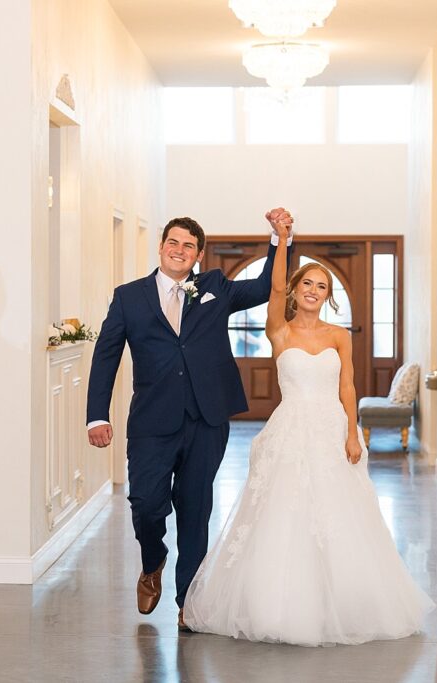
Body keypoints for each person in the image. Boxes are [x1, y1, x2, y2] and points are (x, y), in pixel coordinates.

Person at [181, 213, 433, 646]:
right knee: (285, 511)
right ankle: (280, 602)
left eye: (322, 287)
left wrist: (352, 433)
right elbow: (273, 287)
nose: (314, 291)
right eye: (308, 285)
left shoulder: (338, 336)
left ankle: (343, 600)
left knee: (338, 513)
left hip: (332, 429)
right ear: (297, 290)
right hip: (290, 429)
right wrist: (281, 240)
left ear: (328, 296)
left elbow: (349, 385)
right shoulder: (278, 330)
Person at [86, 210, 293, 629]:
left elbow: (267, 285)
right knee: (145, 504)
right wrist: (96, 416)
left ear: (198, 254)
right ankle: (153, 560)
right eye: (173, 243)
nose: (180, 251)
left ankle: (189, 603)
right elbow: (106, 354)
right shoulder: (128, 296)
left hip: (207, 418)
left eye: (189, 246)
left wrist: (279, 239)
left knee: (195, 510)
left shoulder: (215, 287)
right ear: (162, 247)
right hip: (151, 422)